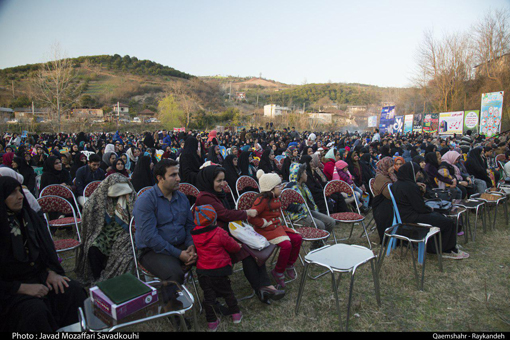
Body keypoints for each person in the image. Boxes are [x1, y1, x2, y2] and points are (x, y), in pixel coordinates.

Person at [0, 176, 87, 332]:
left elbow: (46, 254)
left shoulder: (29, 218)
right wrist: (20, 288)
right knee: (34, 311)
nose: (20, 196)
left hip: (39, 276)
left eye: (19, 191)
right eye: (12, 193)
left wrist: (50, 272)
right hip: (9, 290)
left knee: (72, 291)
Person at [194, 164, 284, 304]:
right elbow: (224, 214)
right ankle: (262, 287)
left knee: (252, 250)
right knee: (247, 252)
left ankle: (265, 287)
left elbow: (228, 214)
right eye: (219, 180)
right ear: (208, 180)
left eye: (223, 180)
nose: (223, 184)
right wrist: (246, 213)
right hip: (215, 240)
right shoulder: (205, 197)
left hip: (225, 233)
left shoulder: (216, 194)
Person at [133, 159, 196, 285]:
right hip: (153, 250)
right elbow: (150, 237)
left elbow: (189, 225)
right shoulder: (146, 200)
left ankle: (211, 300)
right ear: (160, 178)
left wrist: (191, 246)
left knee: (212, 255)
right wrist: (179, 254)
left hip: (182, 244)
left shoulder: (182, 198)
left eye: (178, 174)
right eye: (173, 175)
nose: (178, 178)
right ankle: (172, 303)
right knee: (174, 274)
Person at [391, 162, 469, 259]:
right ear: (411, 172)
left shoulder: (397, 184)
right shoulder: (410, 186)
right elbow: (420, 207)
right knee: (447, 222)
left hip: (405, 215)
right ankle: (446, 249)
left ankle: (436, 247)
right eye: (416, 172)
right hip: (413, 217)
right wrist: (430, 209)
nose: (418, 175)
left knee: (439, 217)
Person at [75, 173, 136, 283]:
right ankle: (98, 277)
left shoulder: (129, 197)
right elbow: (90, 210)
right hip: (103, 231)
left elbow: (135, 214)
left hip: (123, 232)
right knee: (93, 246)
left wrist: (128, 200)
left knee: (124, 250)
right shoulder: (100, 196)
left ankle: (115, 277)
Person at [190, 205, 243, 331]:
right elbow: (232, 246)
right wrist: (239, 246)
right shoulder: (219, 232)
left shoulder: (194, 235)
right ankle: (235, 314)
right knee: (227, 292)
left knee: (209, 298)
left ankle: (212, 322)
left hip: (203, 271)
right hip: (220, 269)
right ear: (214, 219)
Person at [249, 171, 302, 288]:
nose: (282, 187)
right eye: (279, 186)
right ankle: (278, 271)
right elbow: (251, 217)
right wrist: (263, 223)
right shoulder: (261, 200)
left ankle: (289, 264)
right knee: (286, 245)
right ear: (270, 189)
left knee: (297, 238)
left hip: (276, 227)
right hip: (265, 230)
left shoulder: (276, 197)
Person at [286, 163, 335, 249]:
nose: (306, 175)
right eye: (305, 172)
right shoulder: (290, 188)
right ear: (300, 175)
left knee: (330, 222)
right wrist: (298, 208)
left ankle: (318, 245)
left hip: (308, 212)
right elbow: (285, 204)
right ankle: (316, 247)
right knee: (320, 225)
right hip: (298, 216)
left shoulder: (304, 186)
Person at [371, 157, 397, 242]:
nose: (393, 168)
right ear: (384, 166)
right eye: (390, 166)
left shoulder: (391, 175)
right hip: (382, 207)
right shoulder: (381, 177)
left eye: (393, 165)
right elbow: (390, 195)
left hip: (389, 203)